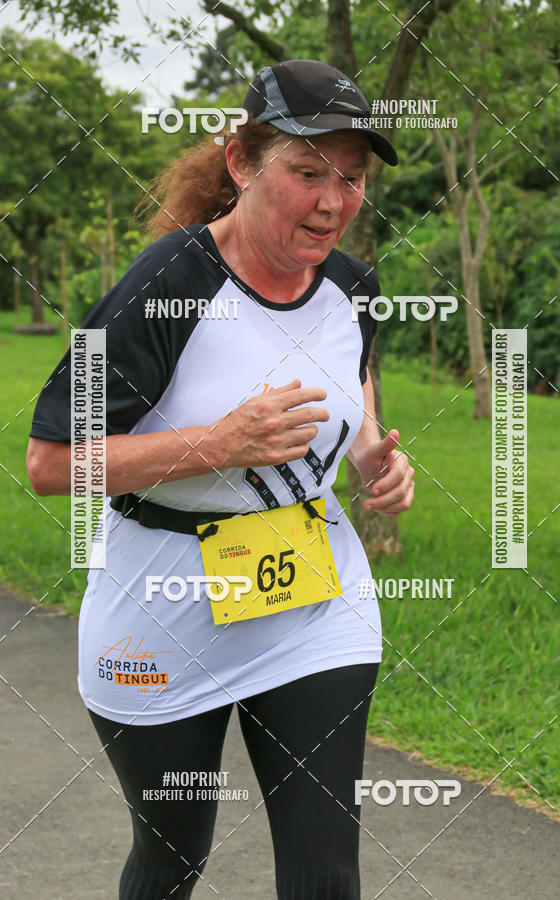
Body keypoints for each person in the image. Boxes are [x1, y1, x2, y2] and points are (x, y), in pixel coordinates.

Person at [26, 59, 415, 899]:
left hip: (315, 601)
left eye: (351, 179)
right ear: (242, 162)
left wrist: (372, 456)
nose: (332, 202)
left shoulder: (354, 287)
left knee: (324, 871)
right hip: (161, 610)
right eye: (307, 172)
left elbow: (352, 385)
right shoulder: (165, 285)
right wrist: (217, 444)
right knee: (171, 860)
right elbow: (50, 464)